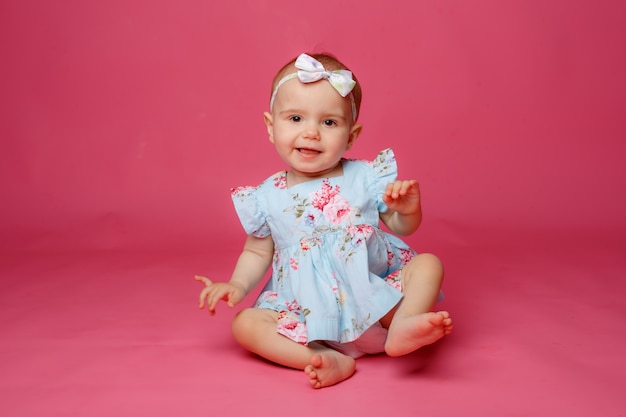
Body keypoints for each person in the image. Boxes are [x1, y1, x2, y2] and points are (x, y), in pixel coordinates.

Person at [195, 52, 453, 389]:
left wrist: (407, 210)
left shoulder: (365, 175)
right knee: (245, 325)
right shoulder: (265, 197)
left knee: (429, 264)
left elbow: (402, 227)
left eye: (329, 122)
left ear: (351, 135)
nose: (311, 133)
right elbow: (257, 253)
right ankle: (324, 357)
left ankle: (405, 323)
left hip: (378, 307)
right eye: (296, 118)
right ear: (271, 127)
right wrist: (237, 285)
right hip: (307, 319)